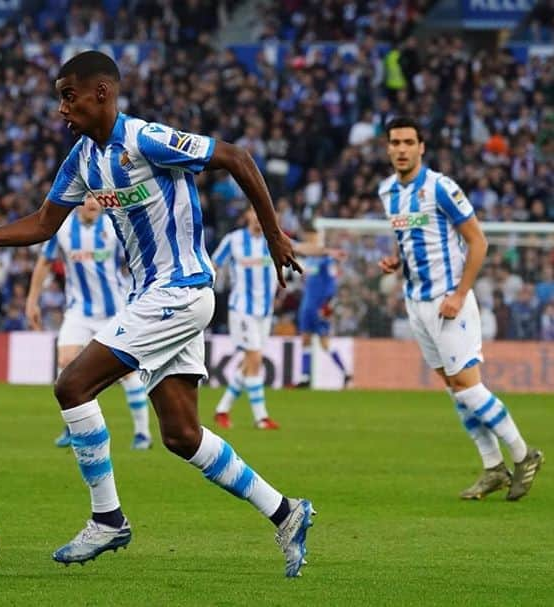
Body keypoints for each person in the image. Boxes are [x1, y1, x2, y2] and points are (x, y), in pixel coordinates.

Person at [0, 51, 315, 577]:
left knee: (72, 387)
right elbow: (45, 223)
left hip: (178, 292)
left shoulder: (146, 139)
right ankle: (287, 511)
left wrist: (273, 235)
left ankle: (108, 519)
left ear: (102, 93)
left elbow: (237, 157)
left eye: (70, 96)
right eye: (59, 98)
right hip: (154, 299)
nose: (62, 108)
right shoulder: (83, 160)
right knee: (182, 435)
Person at [377, 116, 543, 500]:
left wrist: (459, 294)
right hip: (416, 303)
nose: (401, 149)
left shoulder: (440, 188)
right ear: (388, 148)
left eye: (408, 142)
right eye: (395, 142)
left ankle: (523, 453)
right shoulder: (388, 192)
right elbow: (407, 238)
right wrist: (395, 261)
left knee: (469, 388)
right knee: (454, 390)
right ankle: (492, 468)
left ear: (422, 147)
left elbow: (478, 242)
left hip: (450, 301)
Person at [26, 195, 152, 450]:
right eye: (86, 199)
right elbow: (45, 262)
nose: (92, 203)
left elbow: (137, 261)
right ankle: (74, 426)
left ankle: (142, 434)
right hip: (78, 312)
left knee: (126, 372)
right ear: (77, 203)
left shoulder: (114, 227)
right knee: (66, 363)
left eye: (95, 198)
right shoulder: (62, 230)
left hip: (114, 311)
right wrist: (32, 300)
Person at [211, 205, 344, 429]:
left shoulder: (273, 240)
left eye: (260, 213)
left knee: (248, 365)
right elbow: (214, 265)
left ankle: (222, 410)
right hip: (242, 310)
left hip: (265, 312)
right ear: (247, 215)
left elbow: (300, 248)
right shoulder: (233, 240)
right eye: (253, 212)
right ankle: (261, 418)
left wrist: (327, 251)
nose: (256, 217)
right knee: (255, 360)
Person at [293, 239, 353, 388]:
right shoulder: (309, 260)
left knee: (324, 343)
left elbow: (332, 285)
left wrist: (328, 305)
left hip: (320, 308)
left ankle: (346, 373)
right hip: (307, 306)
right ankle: (305, 377)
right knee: (305, 339)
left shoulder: (327, 261)